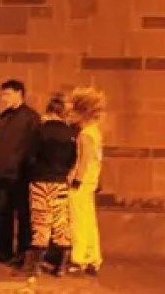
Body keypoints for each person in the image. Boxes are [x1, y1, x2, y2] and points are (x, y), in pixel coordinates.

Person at [25, 93, 77, 277]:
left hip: (41, 179)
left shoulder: (40, 131)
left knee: (41, 220)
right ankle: (61, 265)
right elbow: (73, 159)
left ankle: (35, 266)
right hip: (60, 181)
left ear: (49, 111)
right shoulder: (70, 134)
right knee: (60, 221)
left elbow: (30, 155)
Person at [0, 79, 39, 265]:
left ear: (19, 93)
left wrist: (27, 168)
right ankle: (3, 250)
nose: (4, 98)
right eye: (3, 95)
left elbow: (32, 147)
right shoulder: (4, 116)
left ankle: (23, 251)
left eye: (7, 94)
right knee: (3, 213)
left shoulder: (31, 117)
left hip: (20, 174)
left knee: (23, 215)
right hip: (2, 173)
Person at [67, 86, 106, 277]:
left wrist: (76, 180)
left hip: (81, 184)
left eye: (73, 110)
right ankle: (93, 257)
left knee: (78, 220)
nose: (70, 114)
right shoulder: (94, 132)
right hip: (90, 182)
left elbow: (84, 160)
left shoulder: (85, 135)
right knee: (89, 220)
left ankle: (79, 258)